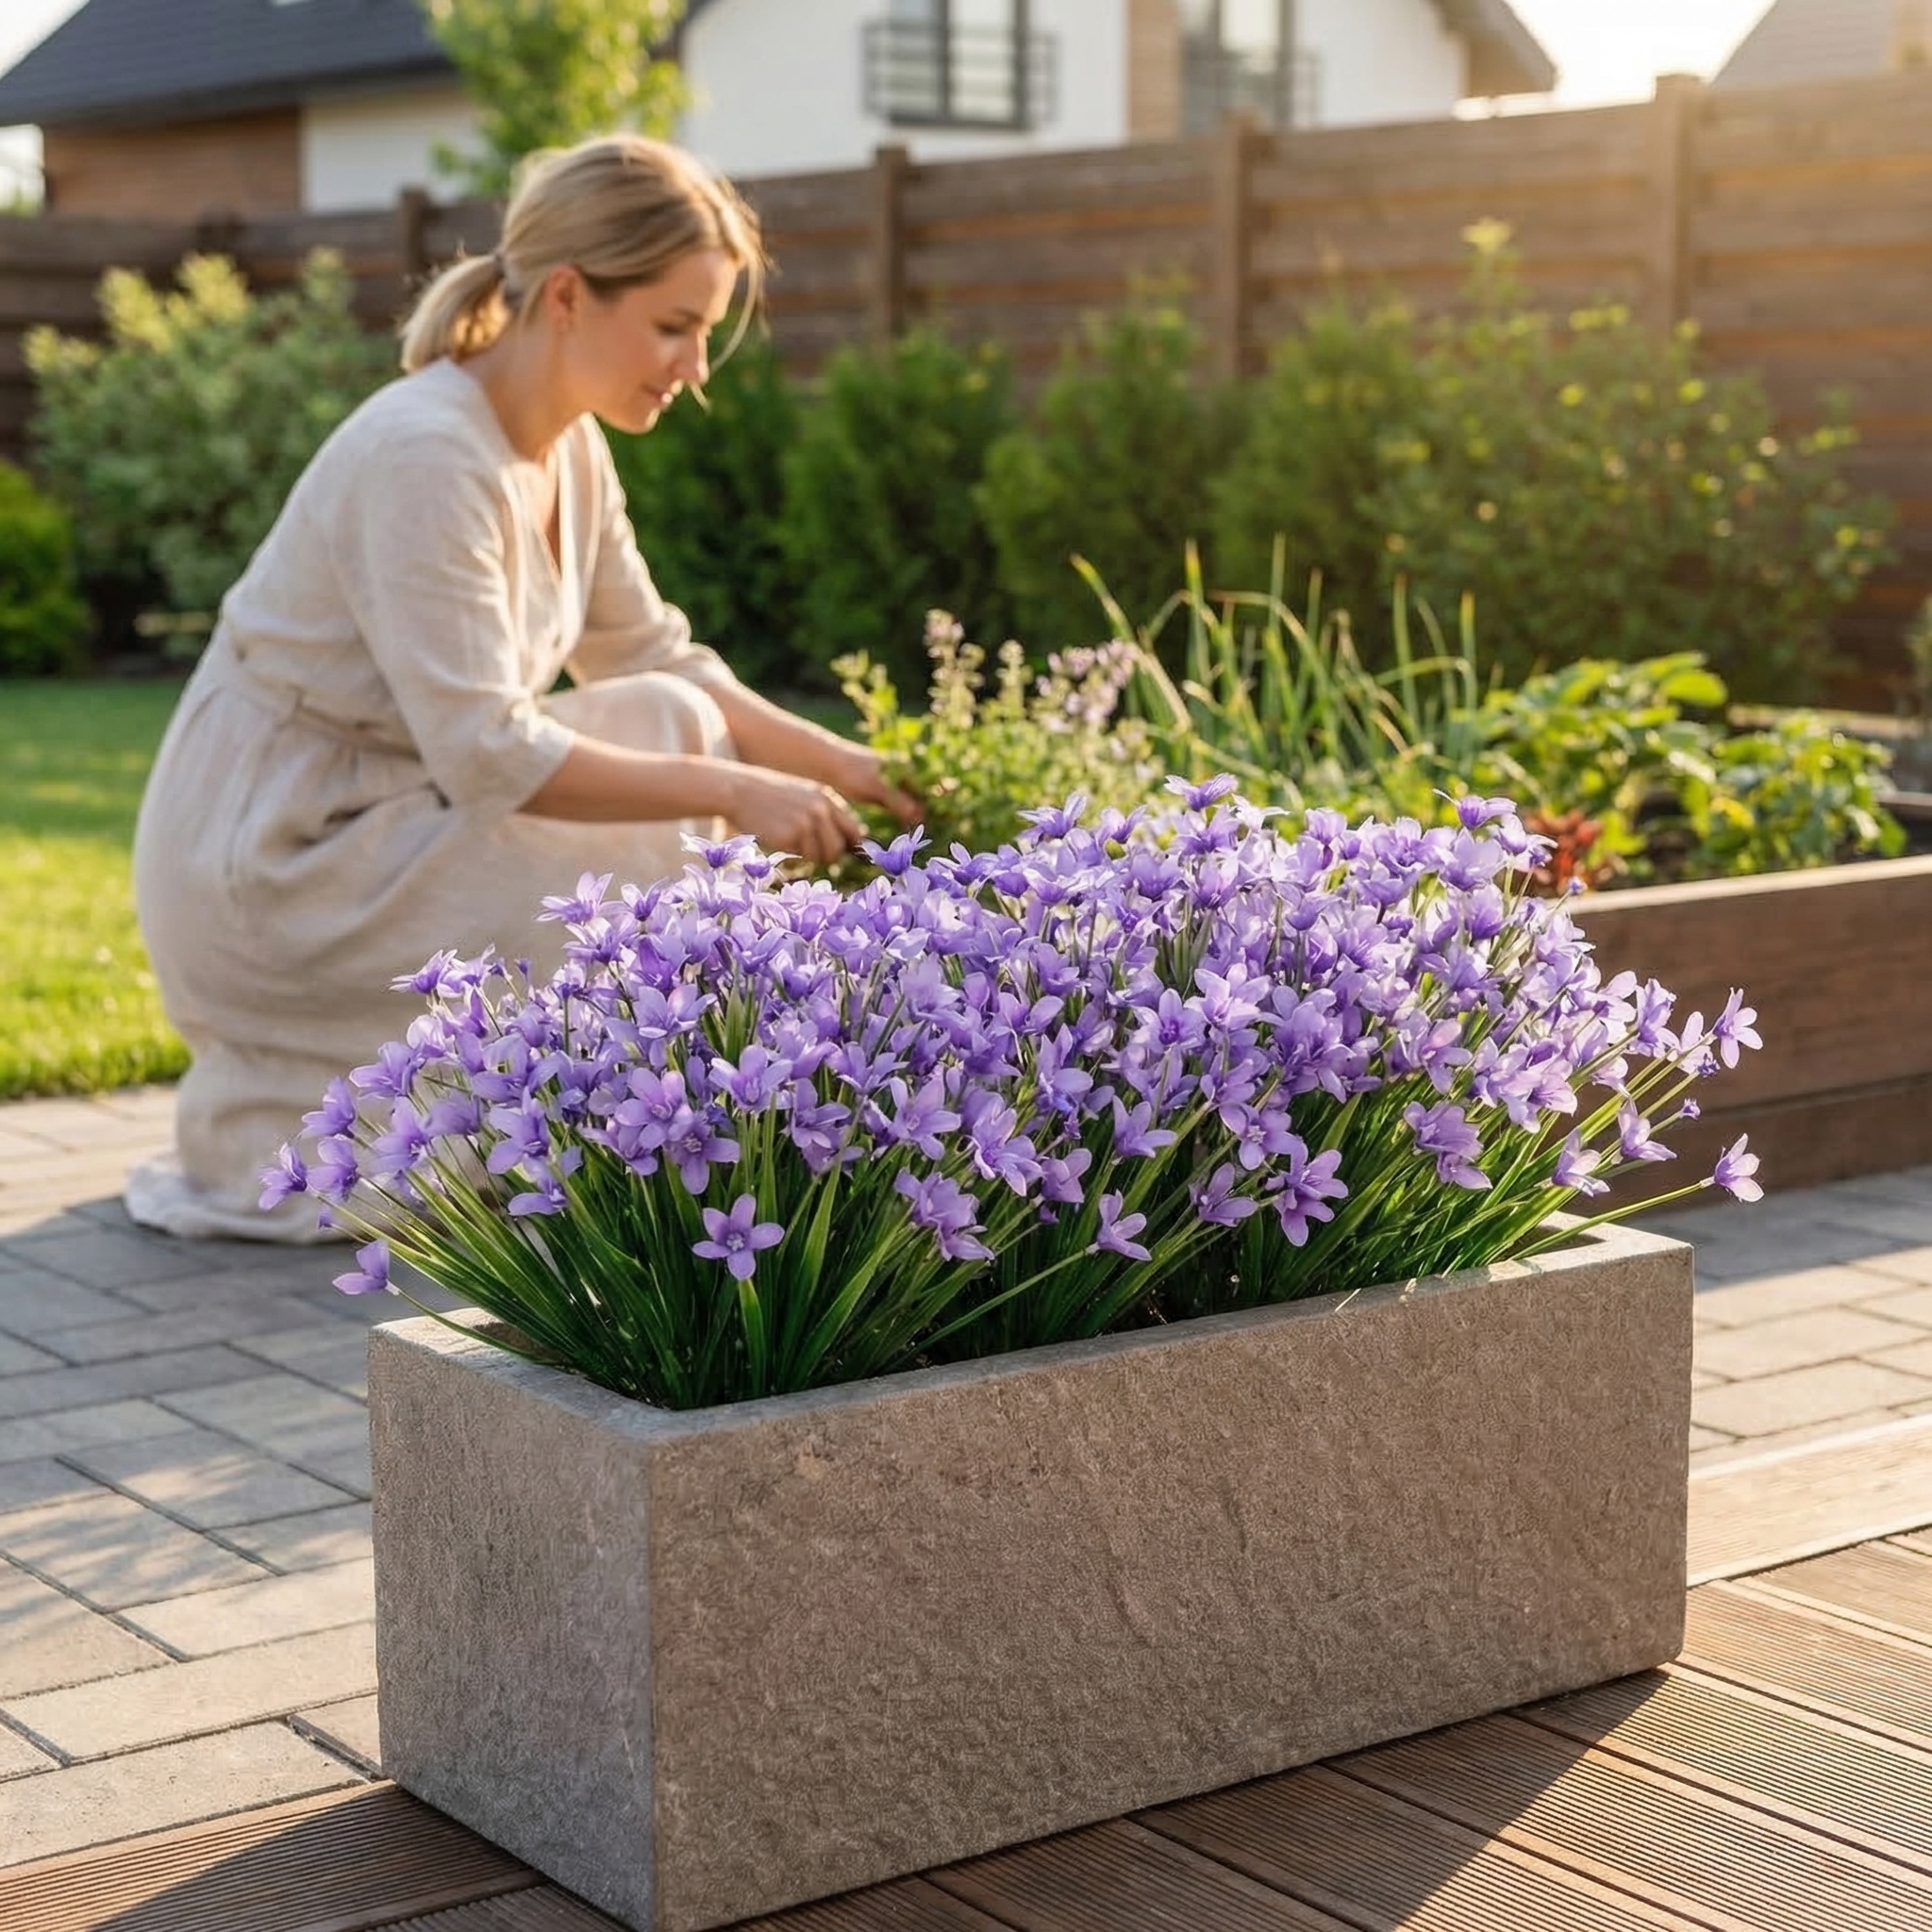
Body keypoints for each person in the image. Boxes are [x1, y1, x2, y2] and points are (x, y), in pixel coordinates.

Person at [126, 134, 916, 1243]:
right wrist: (736, 794)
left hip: (389, 819)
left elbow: (651, 653)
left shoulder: (571, 448)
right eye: (674, 326)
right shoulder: (427, 455)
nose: (696, 367)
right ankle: (660, 1131)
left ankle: (638, 1117)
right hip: (276, 860)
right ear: (566, 295)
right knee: (678, 753)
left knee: (666, 711)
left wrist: (836, 763)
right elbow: (489, 753)